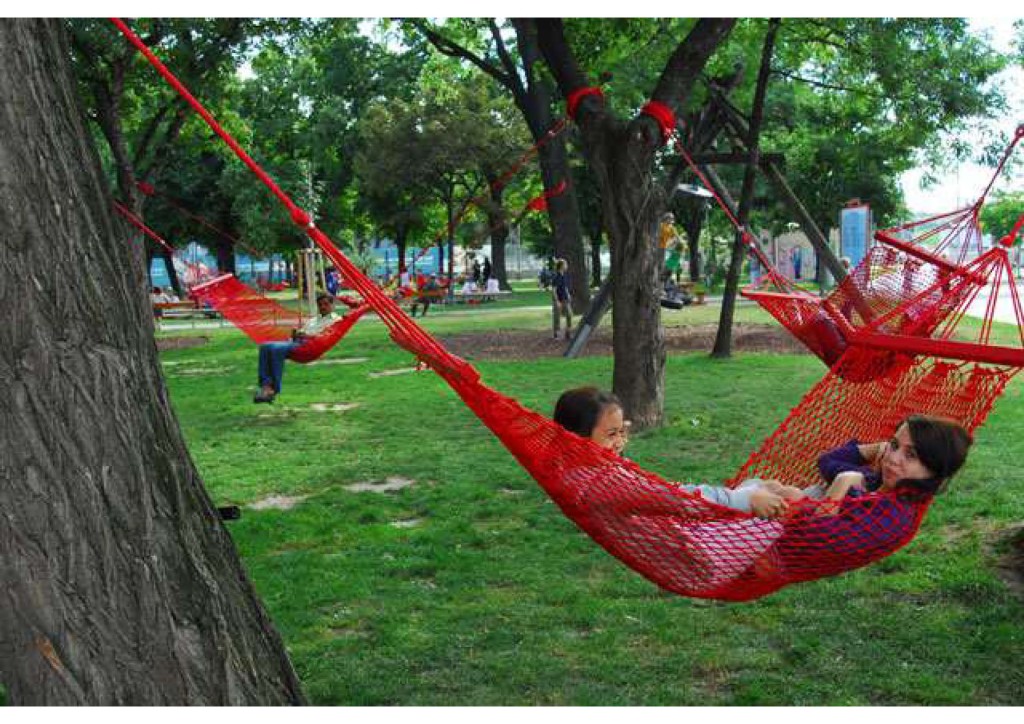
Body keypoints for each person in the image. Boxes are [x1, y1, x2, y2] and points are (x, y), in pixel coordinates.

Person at [552, 387, 799, 519]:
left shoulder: (586, 474)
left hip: (692, 532)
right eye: (611, 434)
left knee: (770, 487)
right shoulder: (603, 483)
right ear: (578, 439)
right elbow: (676, 498)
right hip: (701, 548)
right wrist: (745, 500)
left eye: (622, 431)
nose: (620, 442)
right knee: (794, 500)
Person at [254, 293, 342, 403]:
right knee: (265, 347)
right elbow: (302, 332)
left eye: (326, 304)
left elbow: (326, 337)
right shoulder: (314, 319)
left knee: (276, 349)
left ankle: (273, 389)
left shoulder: (336, 320)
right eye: (320, 305)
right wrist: (297, 333)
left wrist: (307, 336)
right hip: (297, 342)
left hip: (309, 346)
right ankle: (265, 385)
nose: (323, 307)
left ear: (332, 305)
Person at [551, 258, 572, 340]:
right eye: (565, 264)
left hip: (565, 299)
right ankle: (556, 334)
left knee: (569, 315)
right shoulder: (556, 277)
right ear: (562, 266)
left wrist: (568, 294)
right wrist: (557, 301)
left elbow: (565, 287)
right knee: (557, 317)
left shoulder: (564, 275)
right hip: (558, 300)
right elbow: (553, 290)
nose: (567, 266)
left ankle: (568, 333)